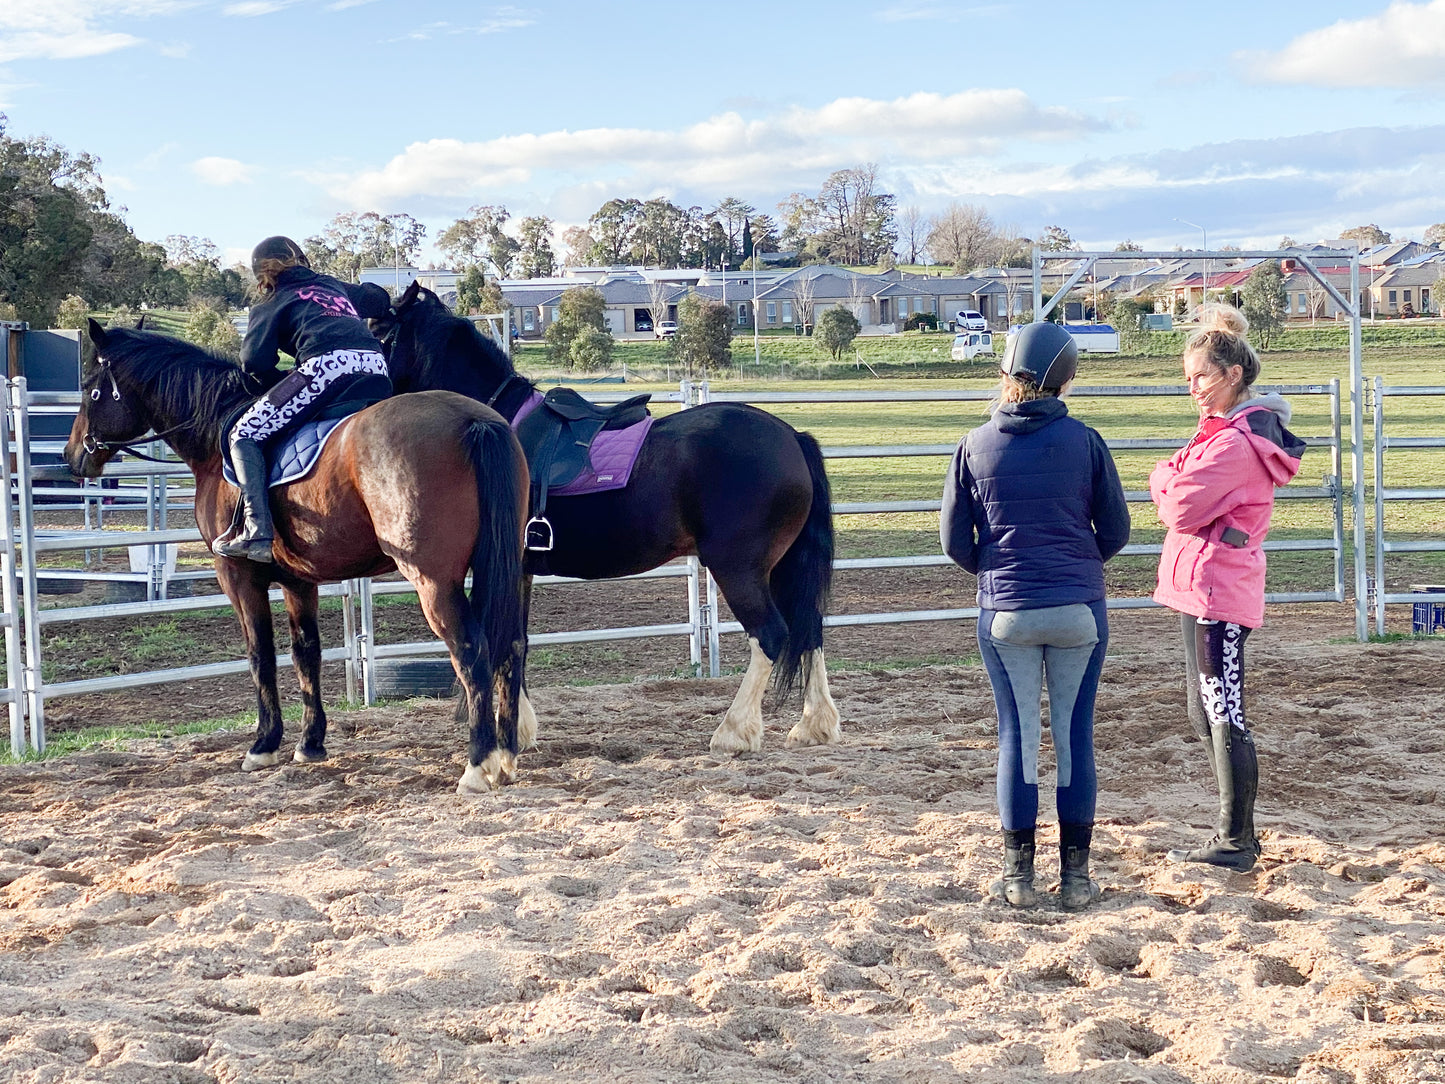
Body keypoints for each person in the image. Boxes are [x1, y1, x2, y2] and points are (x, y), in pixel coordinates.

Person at [942, 322, 1131, 910]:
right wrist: (1076, 566)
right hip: (1079, 610)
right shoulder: (1086, 441)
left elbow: (954, 540)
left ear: (1005, 374)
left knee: (1016, 737)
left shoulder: (975, 444)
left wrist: (996, 571)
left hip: (1006, 614)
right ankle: (1076, 878)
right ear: (1066, 378)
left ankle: (1018, 876)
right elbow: (1117, 530)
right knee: (1076, 738)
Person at [1150, 304, 1304, 872]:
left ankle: (1237, 839)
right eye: (1188, 378)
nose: (1192, 388)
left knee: (1221, 710)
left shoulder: (1234, 443)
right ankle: (1234, 833)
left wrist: (1166, 484)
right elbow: (1172, 483)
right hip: (1201, 584)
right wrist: (1169, 483)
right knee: (1205, 709)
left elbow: (1179, 502)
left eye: (1201, 376)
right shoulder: (1220, 434)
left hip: (1218, 588)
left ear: (1232, 374)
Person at [216, 237, 392, 562]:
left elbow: (253, 361)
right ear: (303, 261)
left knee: (243, 433)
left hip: (326, 368)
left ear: (261, 276)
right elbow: (378, 300)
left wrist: (279, 382)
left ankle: (256, 531)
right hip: (377, 365)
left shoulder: (273, 300)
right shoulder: (329, 285)